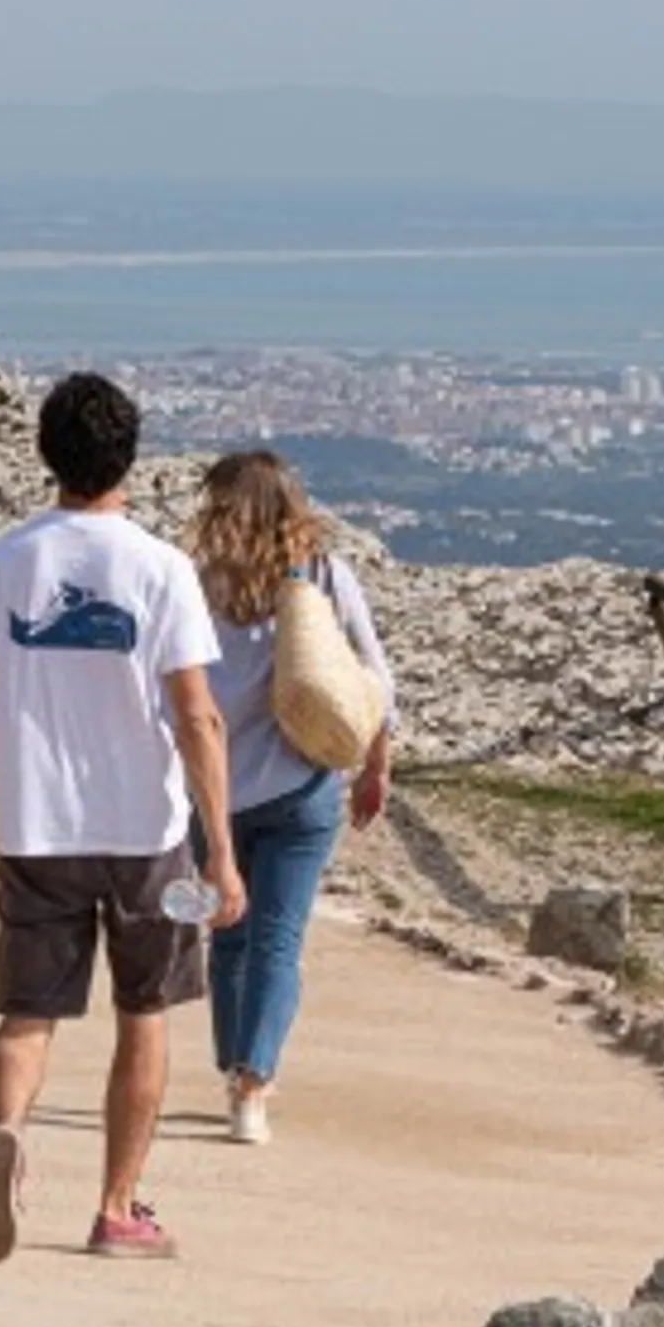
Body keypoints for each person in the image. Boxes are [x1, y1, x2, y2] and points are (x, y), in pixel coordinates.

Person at [0, 373, 245, 1263]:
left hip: (36, 826)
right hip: (143, 829)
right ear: (131, 458)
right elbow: (196, 715)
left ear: (47, 453)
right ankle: (116, 1207)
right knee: (144, 1012)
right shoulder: (158, 567)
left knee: (29, 1012)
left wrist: (14, 759)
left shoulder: (5, 559)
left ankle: (6, 1128)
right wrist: (221, 851)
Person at [182, 450, 394, 1145]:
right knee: (279, 938)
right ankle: (254, 1082)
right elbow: (371, 680)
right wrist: (374, 766)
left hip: (212, 794)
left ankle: (232, 1065)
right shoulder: (327, 576)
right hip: (302, 785)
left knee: (230, 936)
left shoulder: (191, 584)